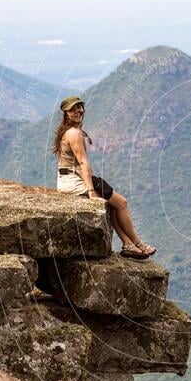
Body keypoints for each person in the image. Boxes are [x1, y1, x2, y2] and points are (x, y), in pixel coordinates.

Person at [52, 95, 156, 260]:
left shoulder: (69, 131)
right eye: (73, 109)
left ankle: (127, 245)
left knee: (112, 204)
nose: (78, 111)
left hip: (68, 179)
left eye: (80, 107)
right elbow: (83, 162)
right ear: (66, 113)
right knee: (121, 203)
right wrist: (91, 190)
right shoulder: (74, 133)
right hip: (73, 181)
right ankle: (138, 243)